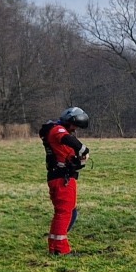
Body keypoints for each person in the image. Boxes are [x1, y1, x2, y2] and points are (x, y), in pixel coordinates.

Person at [41, 107, 90, 255]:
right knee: (65, 213)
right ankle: (61, 250)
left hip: (60, 176)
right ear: (69, 122)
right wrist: (83, 149)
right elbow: (67, 139)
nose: (75, 130)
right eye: (74, 126)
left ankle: (55, 247)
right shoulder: (57, 130)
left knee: (66, 212)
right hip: (63, 179)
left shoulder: (53, 131)